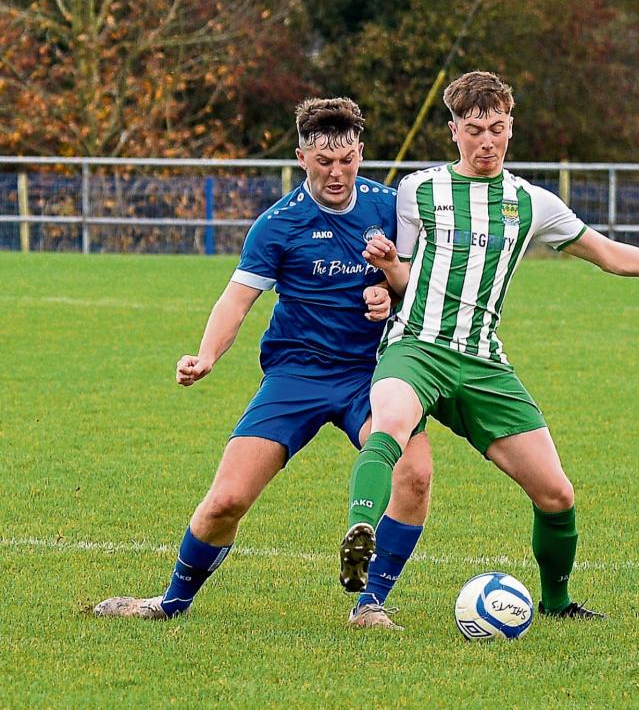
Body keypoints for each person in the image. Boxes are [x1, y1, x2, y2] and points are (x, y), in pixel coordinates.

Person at [345, 71, 639, 623]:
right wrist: (390, 267)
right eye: (473, 129)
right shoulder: (420, 190)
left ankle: (557, 605)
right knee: (389, 426)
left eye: (496, 128)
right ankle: (362, 542)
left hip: (483, 361)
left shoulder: (531, 202)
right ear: (453, 131)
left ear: (511, 128)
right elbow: (404, 280)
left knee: (557, 495)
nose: (486, 141)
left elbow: (607, 254)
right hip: (416, 346)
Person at [93, 97, 432, 627]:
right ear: (301, 157)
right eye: (324, 162)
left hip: (373, 374)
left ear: (361, 153)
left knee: (414, 475)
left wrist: (390, 292)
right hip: (296, 374)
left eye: (346, 160)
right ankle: (171, 601)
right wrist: (206, 356)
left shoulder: (390, 208)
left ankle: (371, 604)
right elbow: (237, 299)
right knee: (226, 499)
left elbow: (421, 286)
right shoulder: (279, 224)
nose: (336, 173)